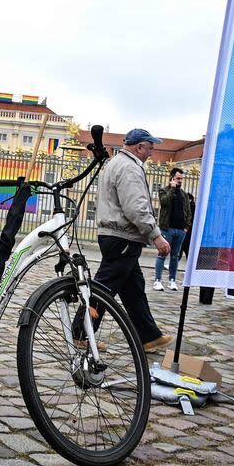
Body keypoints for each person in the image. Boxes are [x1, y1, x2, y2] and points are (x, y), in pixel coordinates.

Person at [89, 128, 173, 353]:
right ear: (139, 147)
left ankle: (148, 336)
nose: (151, 154)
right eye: (150, 149)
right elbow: (136, 208)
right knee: (104, 287)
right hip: (122, 236)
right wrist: (156, 236)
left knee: (134, 289)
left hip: (115, 234)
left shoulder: (116, 163)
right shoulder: (129, 168)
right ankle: (81, 332)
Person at [154, 167, 192, 291]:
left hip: (180, 230)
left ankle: (172, 280)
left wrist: (186, 227)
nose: (180, 181)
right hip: (167, 229)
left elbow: (188, 211)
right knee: (162, 254)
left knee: (175, 256)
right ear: (172, 178)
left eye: (181, 179)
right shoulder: (164, 191)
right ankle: (158, 281)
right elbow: (164, 203)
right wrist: (172, 188)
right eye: (178, 178)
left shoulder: (184, 195)